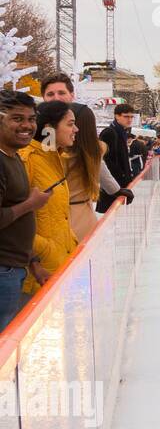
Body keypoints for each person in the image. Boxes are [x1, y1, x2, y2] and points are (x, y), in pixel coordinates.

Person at [0, 92, 51, 327]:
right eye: (17, 119)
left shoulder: (13, 156)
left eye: (31, 119)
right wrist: (31, 204)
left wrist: (34, 263)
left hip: (15, 268)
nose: (27, 126)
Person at [21, 101, 79, 297]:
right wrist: (45, 250)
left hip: (57, 265)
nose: (76, 129)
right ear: (49, 130)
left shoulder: (53, 158)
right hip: (35, 274)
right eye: (70, 124)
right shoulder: (28, 159)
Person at [66, 103, 128, 241]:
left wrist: (116, 189)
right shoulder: (55, 151)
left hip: (76, 218)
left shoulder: (86, 153)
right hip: (76, 217)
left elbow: (99, 165)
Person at [98, 103, 135, 209]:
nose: (129, 119)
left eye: (131, 117)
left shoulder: (122, 132)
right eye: (126, 116)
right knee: (109, 215)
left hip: (120, 184)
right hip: (112, 186)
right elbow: (106, 161)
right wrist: (121, 179)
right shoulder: (109, 133)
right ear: (117, 116)